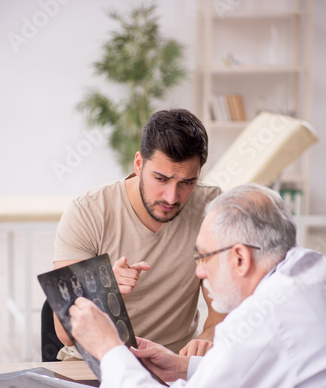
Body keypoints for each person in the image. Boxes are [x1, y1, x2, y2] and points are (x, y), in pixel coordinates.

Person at [70, 183, 326, 388]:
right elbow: (272, 366)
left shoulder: (264, 318)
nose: (198, 272)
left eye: (203, 257)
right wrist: (187, 368)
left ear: (239, 258)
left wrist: (108, 349)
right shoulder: (313, 273)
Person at [54, 108, 223, 360]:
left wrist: (209, 334)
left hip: (171, 366)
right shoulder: (87, 211)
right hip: (94, 365)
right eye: (161, 178)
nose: (172, 197)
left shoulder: (212, 209)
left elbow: (223, 305)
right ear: (138, 163)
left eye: (187, 182)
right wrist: (103, 287)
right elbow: (65, 332)